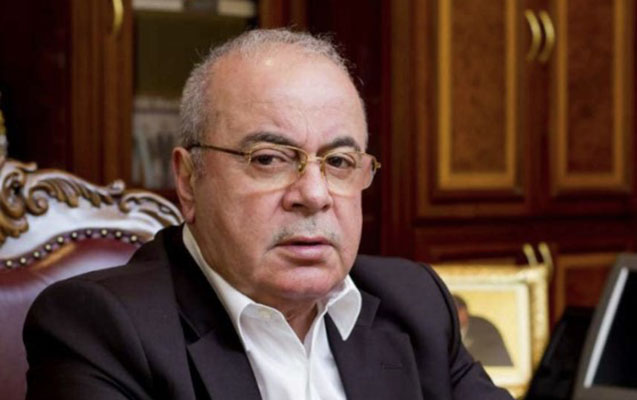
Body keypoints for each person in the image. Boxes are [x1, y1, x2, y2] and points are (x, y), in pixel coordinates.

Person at [23, 29, 513, 399]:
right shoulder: (99, 329)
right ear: (189, 180)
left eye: (339, 162)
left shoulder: (414, 305)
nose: (314, 195)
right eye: (269, 159)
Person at [454, 295, 514, 367]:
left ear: (465, 311)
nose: (455, 316)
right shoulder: (444, 328)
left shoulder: (484, 328)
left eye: (458, 311)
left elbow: (497, 359)